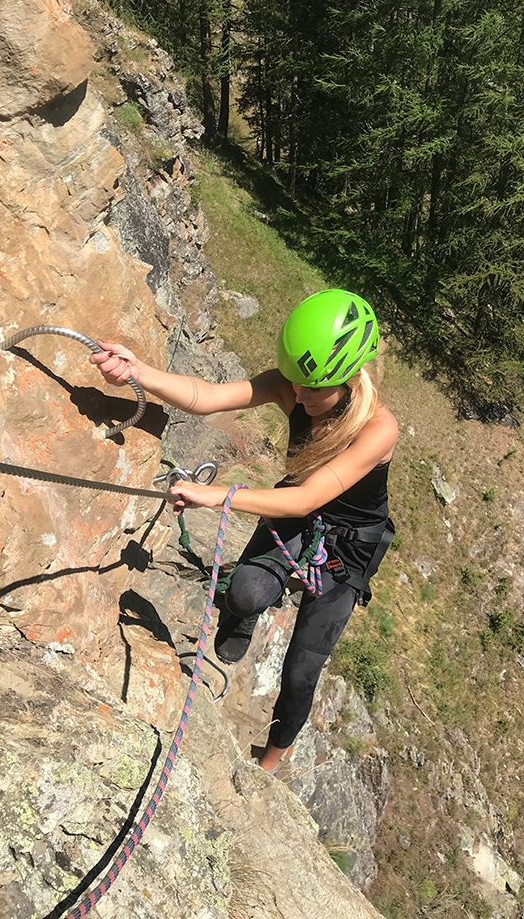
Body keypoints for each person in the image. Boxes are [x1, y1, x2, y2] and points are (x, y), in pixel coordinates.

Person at [91, 289, 398, 774]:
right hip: (297, 514)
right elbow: (208, 398)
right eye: (295, 384)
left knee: (301, 670)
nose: (296, 396)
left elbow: (307, 498)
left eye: (311, 390)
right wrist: (138, 372)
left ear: (349, 379)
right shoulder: (296, 384)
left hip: (347, 544)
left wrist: (218, 496)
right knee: (246, 593)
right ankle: (245, 610)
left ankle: (271, 761)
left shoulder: (378, 430)